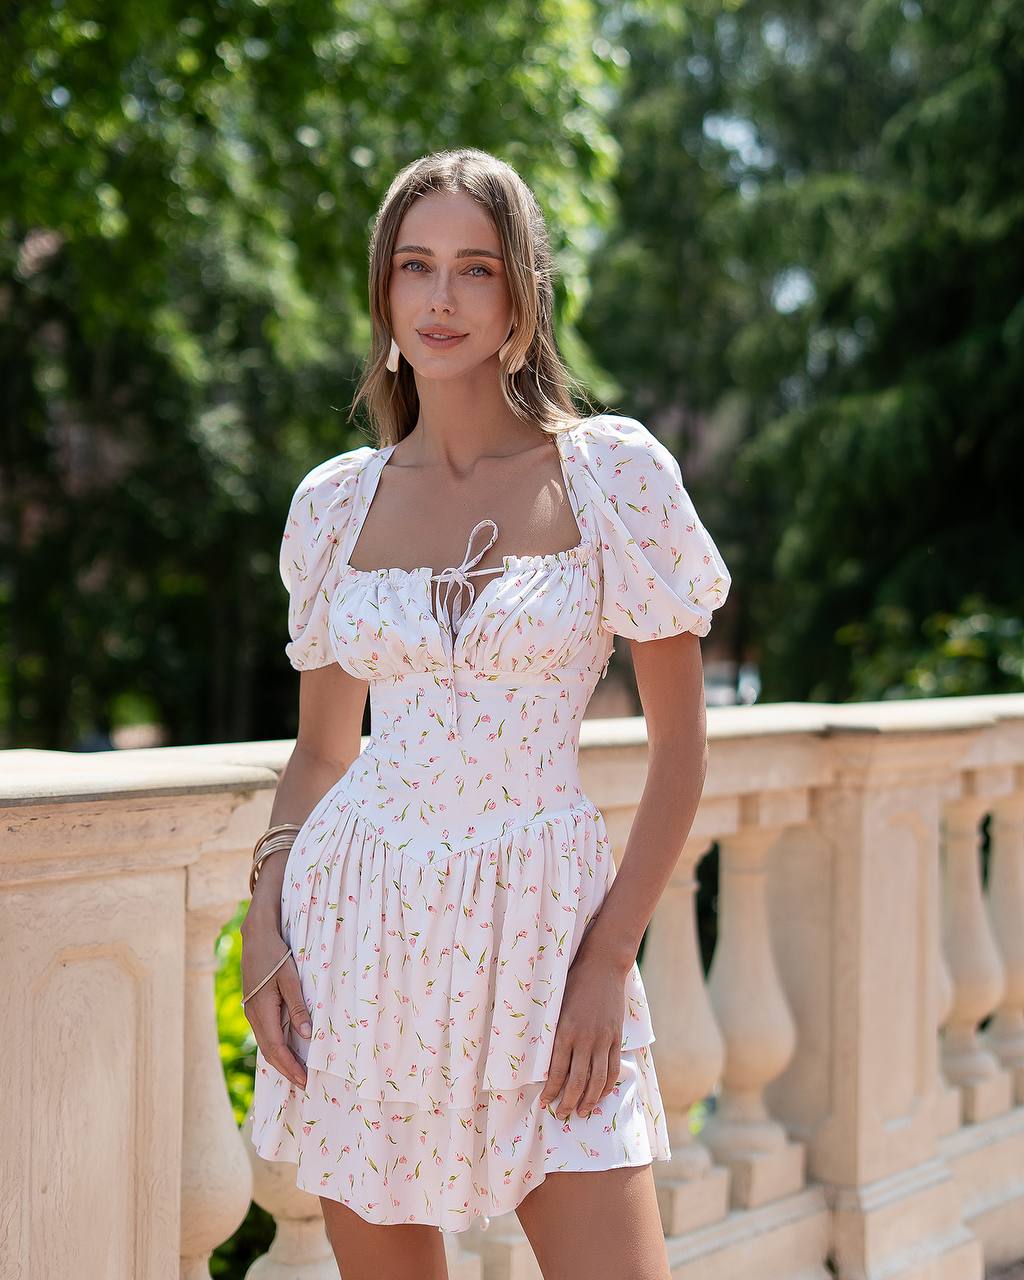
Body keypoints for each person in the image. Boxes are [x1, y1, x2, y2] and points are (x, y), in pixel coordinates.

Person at [241, 147, 731, 1280]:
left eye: (475, 268)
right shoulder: (334, 503)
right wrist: (265, 921)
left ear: (521, 290)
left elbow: (679, 755)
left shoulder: (611, 476)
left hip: (549, 932)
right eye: (416, 267)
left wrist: (610, 958)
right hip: (358, 930)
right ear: (384, 290)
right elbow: (322, 752)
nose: (442, 299)